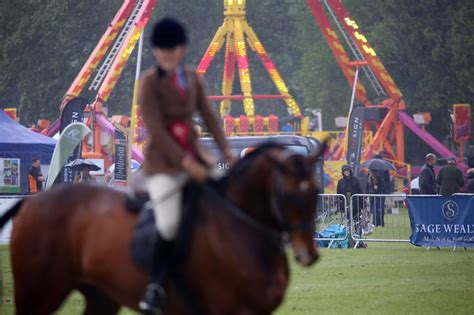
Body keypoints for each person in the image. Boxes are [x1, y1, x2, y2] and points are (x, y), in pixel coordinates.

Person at [137, 18, 233, 314]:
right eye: (161, 51)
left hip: (197, 153)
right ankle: (154, 285)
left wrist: (227, 151)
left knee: (228, 204)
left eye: (172, 49)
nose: (167, 55)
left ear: (182, 49)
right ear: (156, 52)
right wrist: (186, 164)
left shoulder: (193, 78)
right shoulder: (149, 84)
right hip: (163, 164)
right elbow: (157, 130)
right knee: (168, 223)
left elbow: (210, 118)